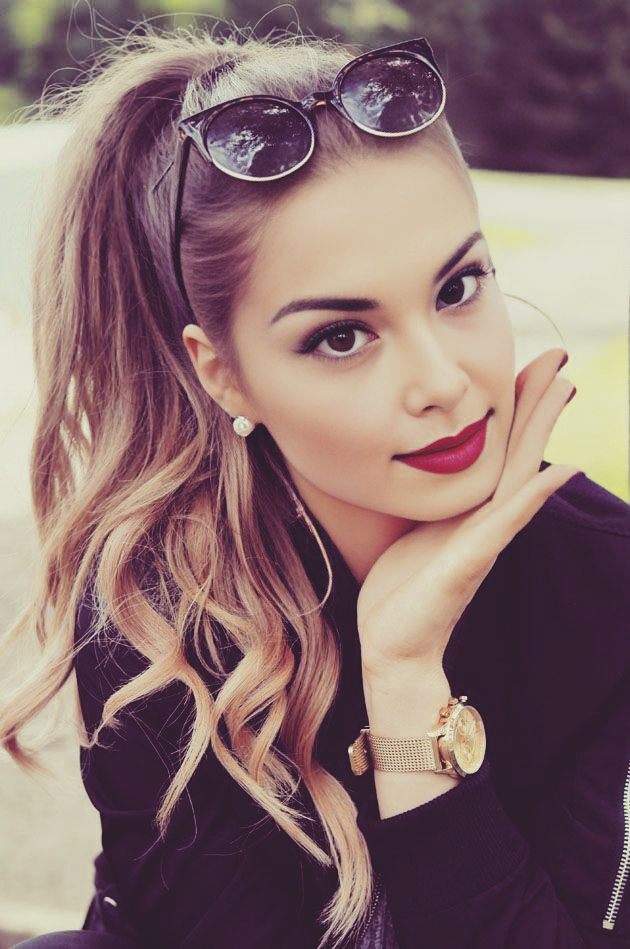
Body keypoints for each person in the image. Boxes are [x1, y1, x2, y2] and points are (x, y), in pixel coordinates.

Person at [1, 23, 629, 949]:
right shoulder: (162, 604)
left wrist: (408, 685)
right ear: (224, 376)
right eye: (341, 336)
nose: (443, 382)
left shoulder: (608, 584)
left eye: (458, 287)